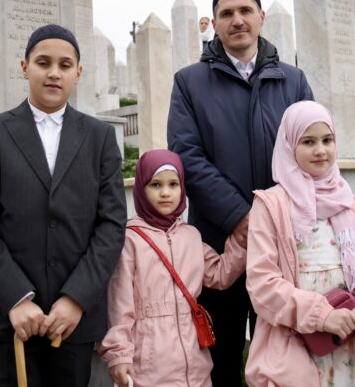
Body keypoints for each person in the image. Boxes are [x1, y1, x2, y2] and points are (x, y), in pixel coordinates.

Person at [0, 24, 127, 387]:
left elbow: (112, 224)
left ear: (78, 73)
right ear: (25, 67)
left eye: (65, 65)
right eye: (43, 63)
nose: (54, 73)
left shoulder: (99, 137)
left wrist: (77, 298)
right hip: (10, 318)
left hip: (72, 321)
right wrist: (16, 297)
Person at [167, 0, 314, 386]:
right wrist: (239, 216)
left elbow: (311, 151)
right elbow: (186, 155)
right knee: (222, 359)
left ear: (261, 17)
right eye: (227, 14)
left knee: (288, 357)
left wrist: (275, 216)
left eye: (246, 11)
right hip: (219, 246)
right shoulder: (189, 82)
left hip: (284, 242)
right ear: (214, 23)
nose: (237, 20)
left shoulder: (293, 81)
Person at [244, 101, 355, 386]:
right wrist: (322, 315)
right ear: (289, 145)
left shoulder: (352, 205)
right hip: (295, 342)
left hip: (353, 346)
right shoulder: (271, 205)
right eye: (308, 142)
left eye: (327, 140)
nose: (320, 150)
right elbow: (262, 284)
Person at [99, 149, 247, 387]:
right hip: (149, 368)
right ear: (141, 189)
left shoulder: (190, 236)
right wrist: (119, 355)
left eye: (173, 184)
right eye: (155, 185)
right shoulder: (130, 240)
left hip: (196, 366)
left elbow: (219, 274)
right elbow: (120, 304)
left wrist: (242, 241)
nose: (166, 193)